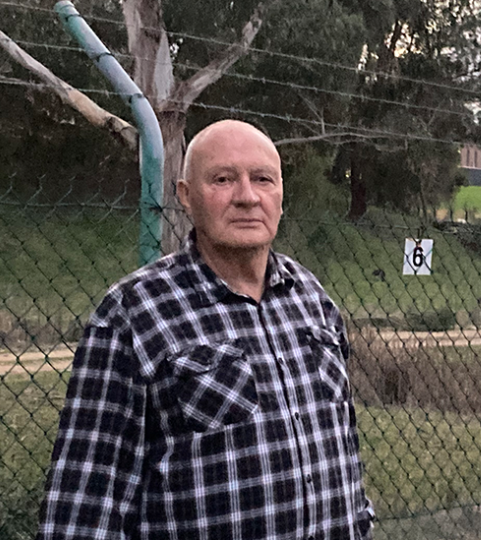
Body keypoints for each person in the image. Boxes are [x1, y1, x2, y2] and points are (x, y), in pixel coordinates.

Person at [38, 120, 374, 540]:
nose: (247, 197)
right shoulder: (134, 313)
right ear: (185, 197)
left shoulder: (310, 297)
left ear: (281, 196)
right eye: (222, 179)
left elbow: (342, 447)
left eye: (263, 179)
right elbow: (84, 507)